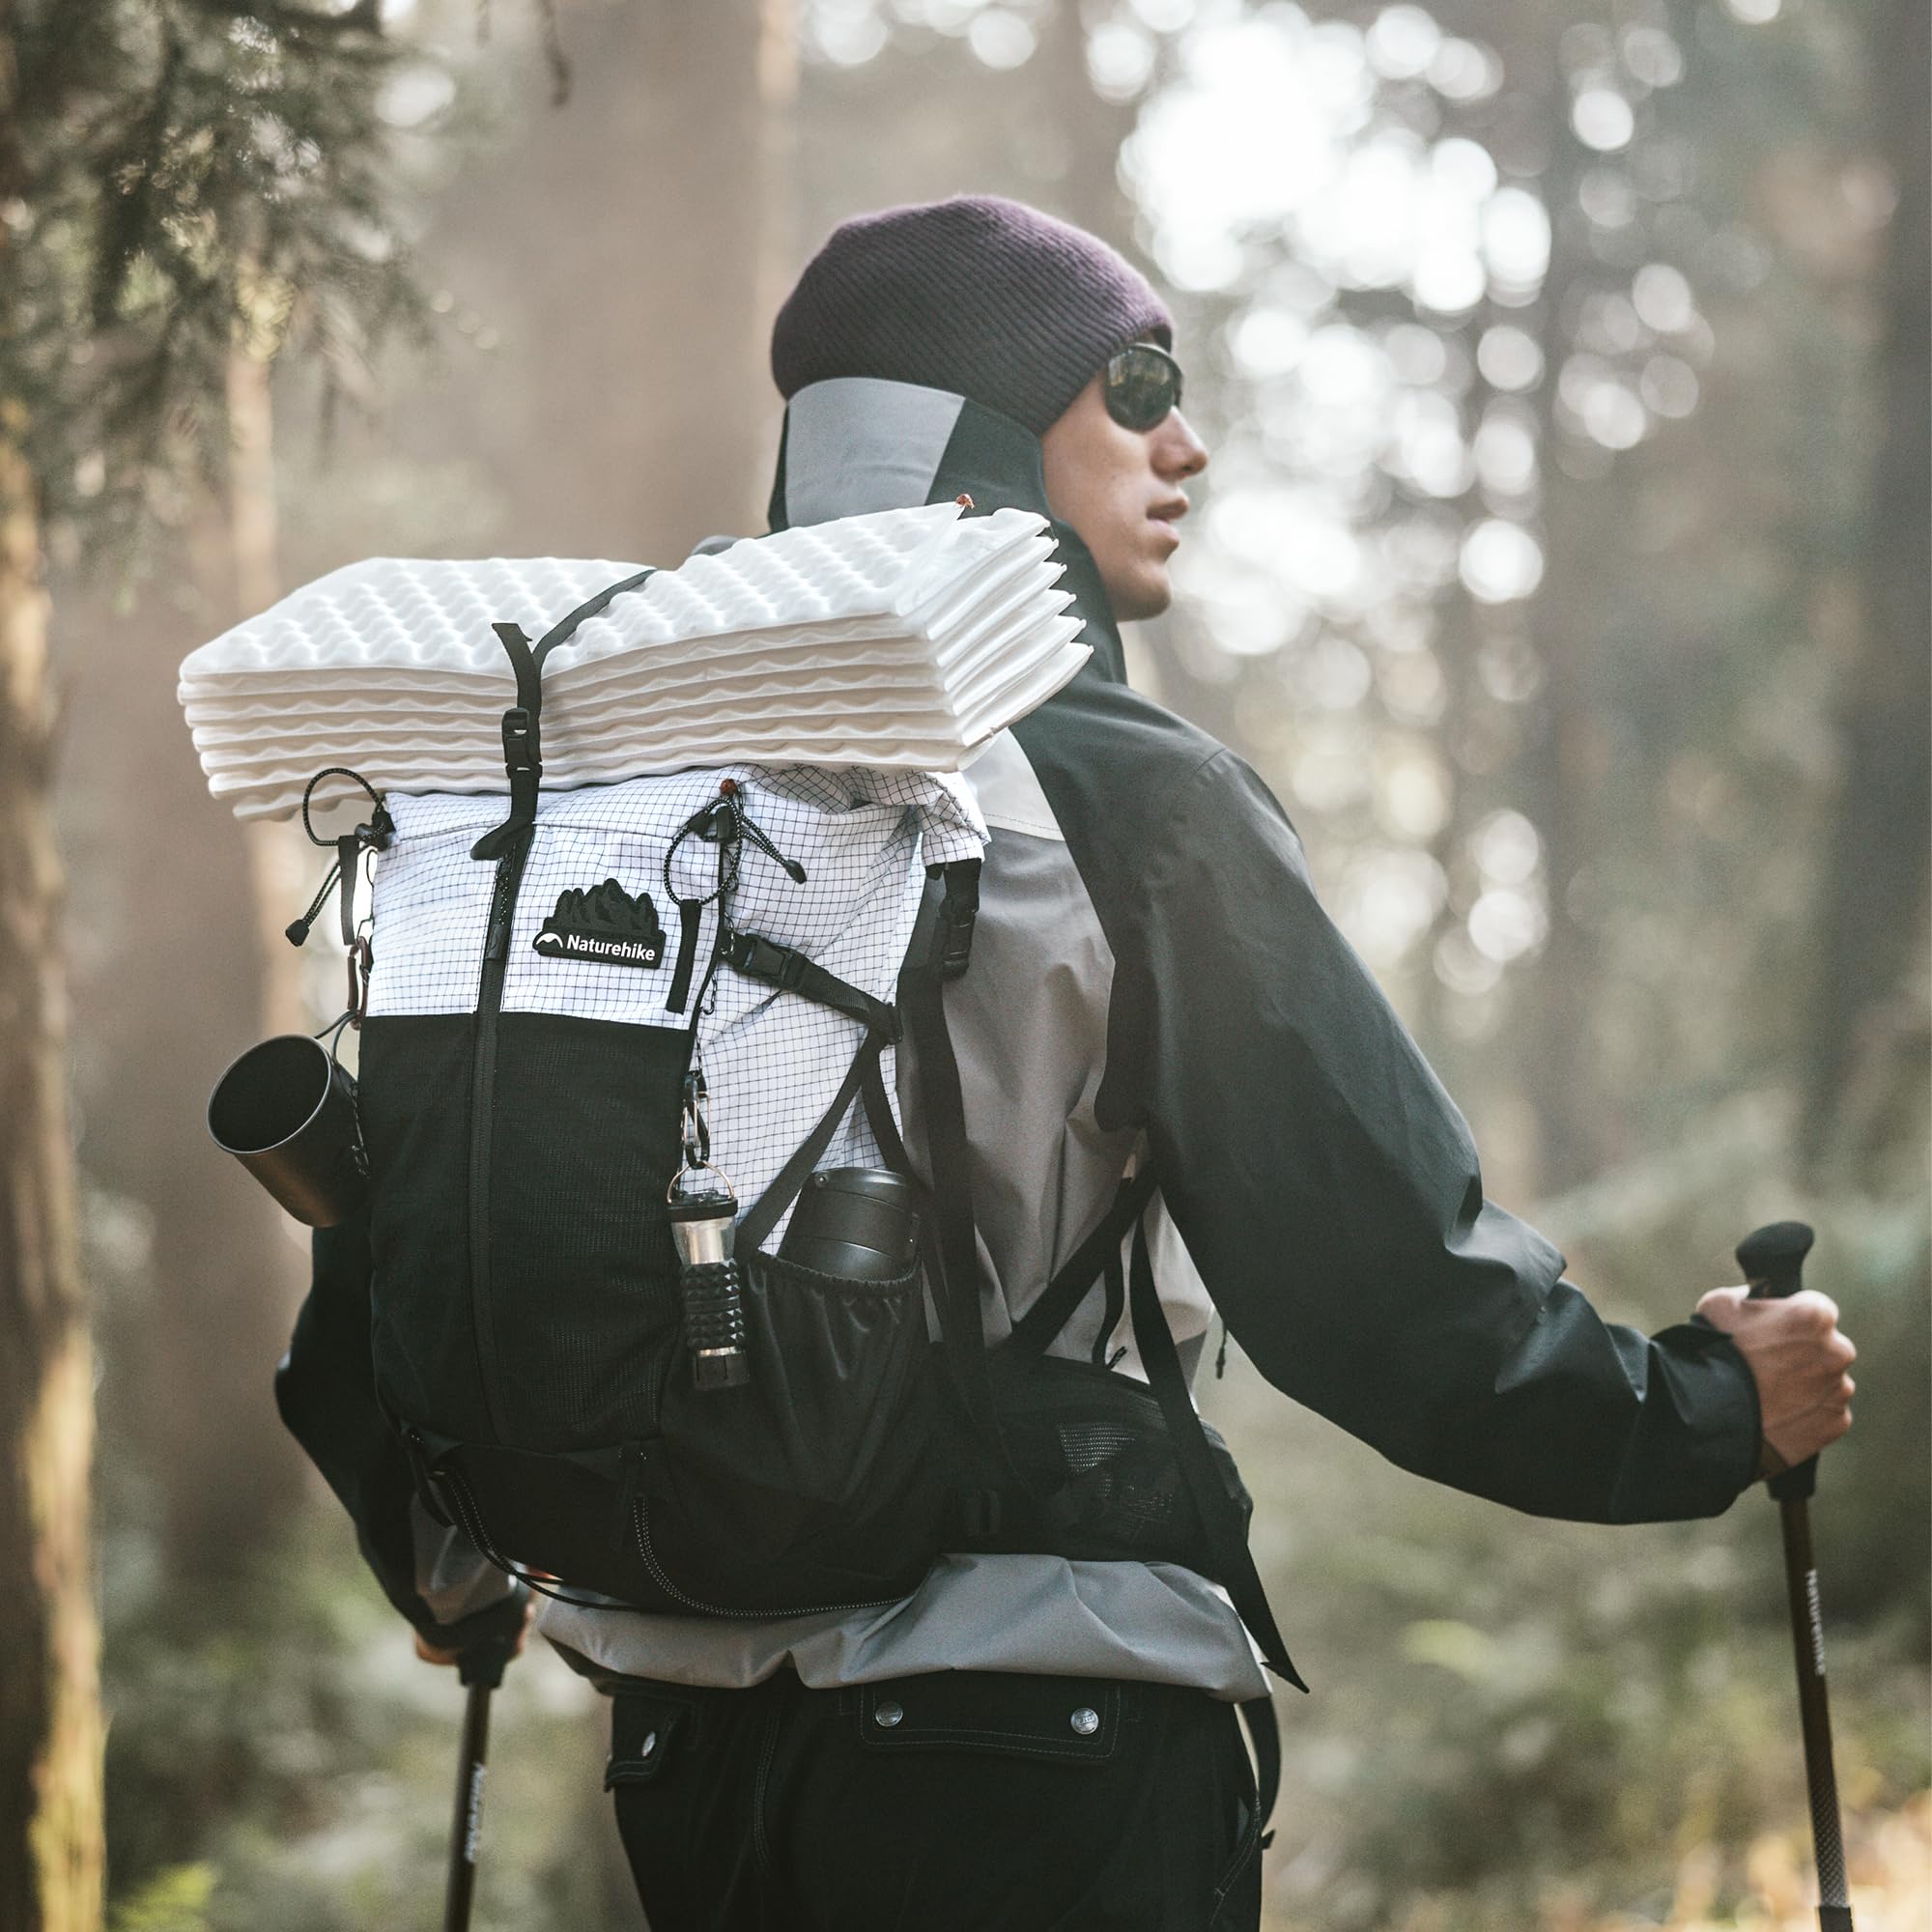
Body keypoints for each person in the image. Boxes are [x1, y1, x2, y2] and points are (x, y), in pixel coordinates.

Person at [279, 195, 1857, 1932]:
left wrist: (454, 1567)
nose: (1187, 439)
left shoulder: (588, 796)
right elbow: (1381, 1283)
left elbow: (403, 1248)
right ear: (980, 434)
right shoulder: (1126, 796)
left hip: (692, 1753)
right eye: (1135, 379)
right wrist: (1708, 1414)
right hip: (1046, 1743)